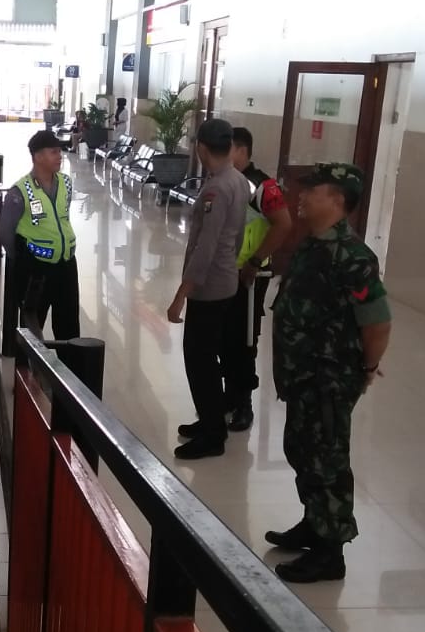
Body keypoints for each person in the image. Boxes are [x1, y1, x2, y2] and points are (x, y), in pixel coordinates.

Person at [266, 162, 391, 583]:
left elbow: (377, 322)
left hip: (328, 379)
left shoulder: (353, 258)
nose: (300, 196)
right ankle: (313, 522)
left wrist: (368, 368)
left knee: (327, 459)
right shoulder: (312, 245)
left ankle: (329, 551)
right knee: (301, 449)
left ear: (337, 200)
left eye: (312, 190)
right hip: (303, 375)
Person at [167, 118, 249, 460]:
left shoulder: (217, 188)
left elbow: (206, 247)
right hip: (226, 280)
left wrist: (180, 297)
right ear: (230, 146)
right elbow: (240, 234)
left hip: (210, 287)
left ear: (201, 148)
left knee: (199, 360)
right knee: (208, 359)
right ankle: (211, 420)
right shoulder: (240, 181)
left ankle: (213, 434)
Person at [220, 127, 293, 432]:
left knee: (244, 338)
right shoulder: (225, 180)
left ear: (241, 150)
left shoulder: (263, 187)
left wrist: (253, 261)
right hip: (224, 275)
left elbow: (283, 224)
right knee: (225, 338)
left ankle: (244, 404)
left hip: (248, 277)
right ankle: (228, 395)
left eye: (228, 150)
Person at [0, 130, 80, 341]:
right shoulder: (19, 192)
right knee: (33, 329)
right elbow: (5, 233)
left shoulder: (66, 183)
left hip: (66, 265)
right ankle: (30, 372)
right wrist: (23, 260)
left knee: (69, 325)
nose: (59, 156)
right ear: (37, 156)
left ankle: (67, 371)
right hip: (36, 270)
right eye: (53, 152)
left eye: (59, 151)